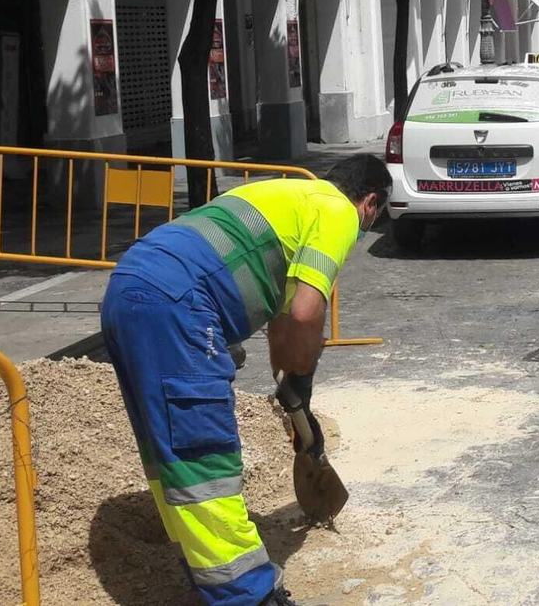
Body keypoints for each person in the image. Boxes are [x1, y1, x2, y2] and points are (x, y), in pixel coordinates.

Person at [99, 155, 389, 606]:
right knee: (203, 456)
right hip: (180, 302)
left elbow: (280, 321)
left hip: (129, 287)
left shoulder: (287, 196)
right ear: (370, 203)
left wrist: (290, 394)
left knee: (171, 451)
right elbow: (307, 313)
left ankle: (202, 569)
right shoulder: (336, 210)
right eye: (373, 217)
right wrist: (304, 379)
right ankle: (248, 596)